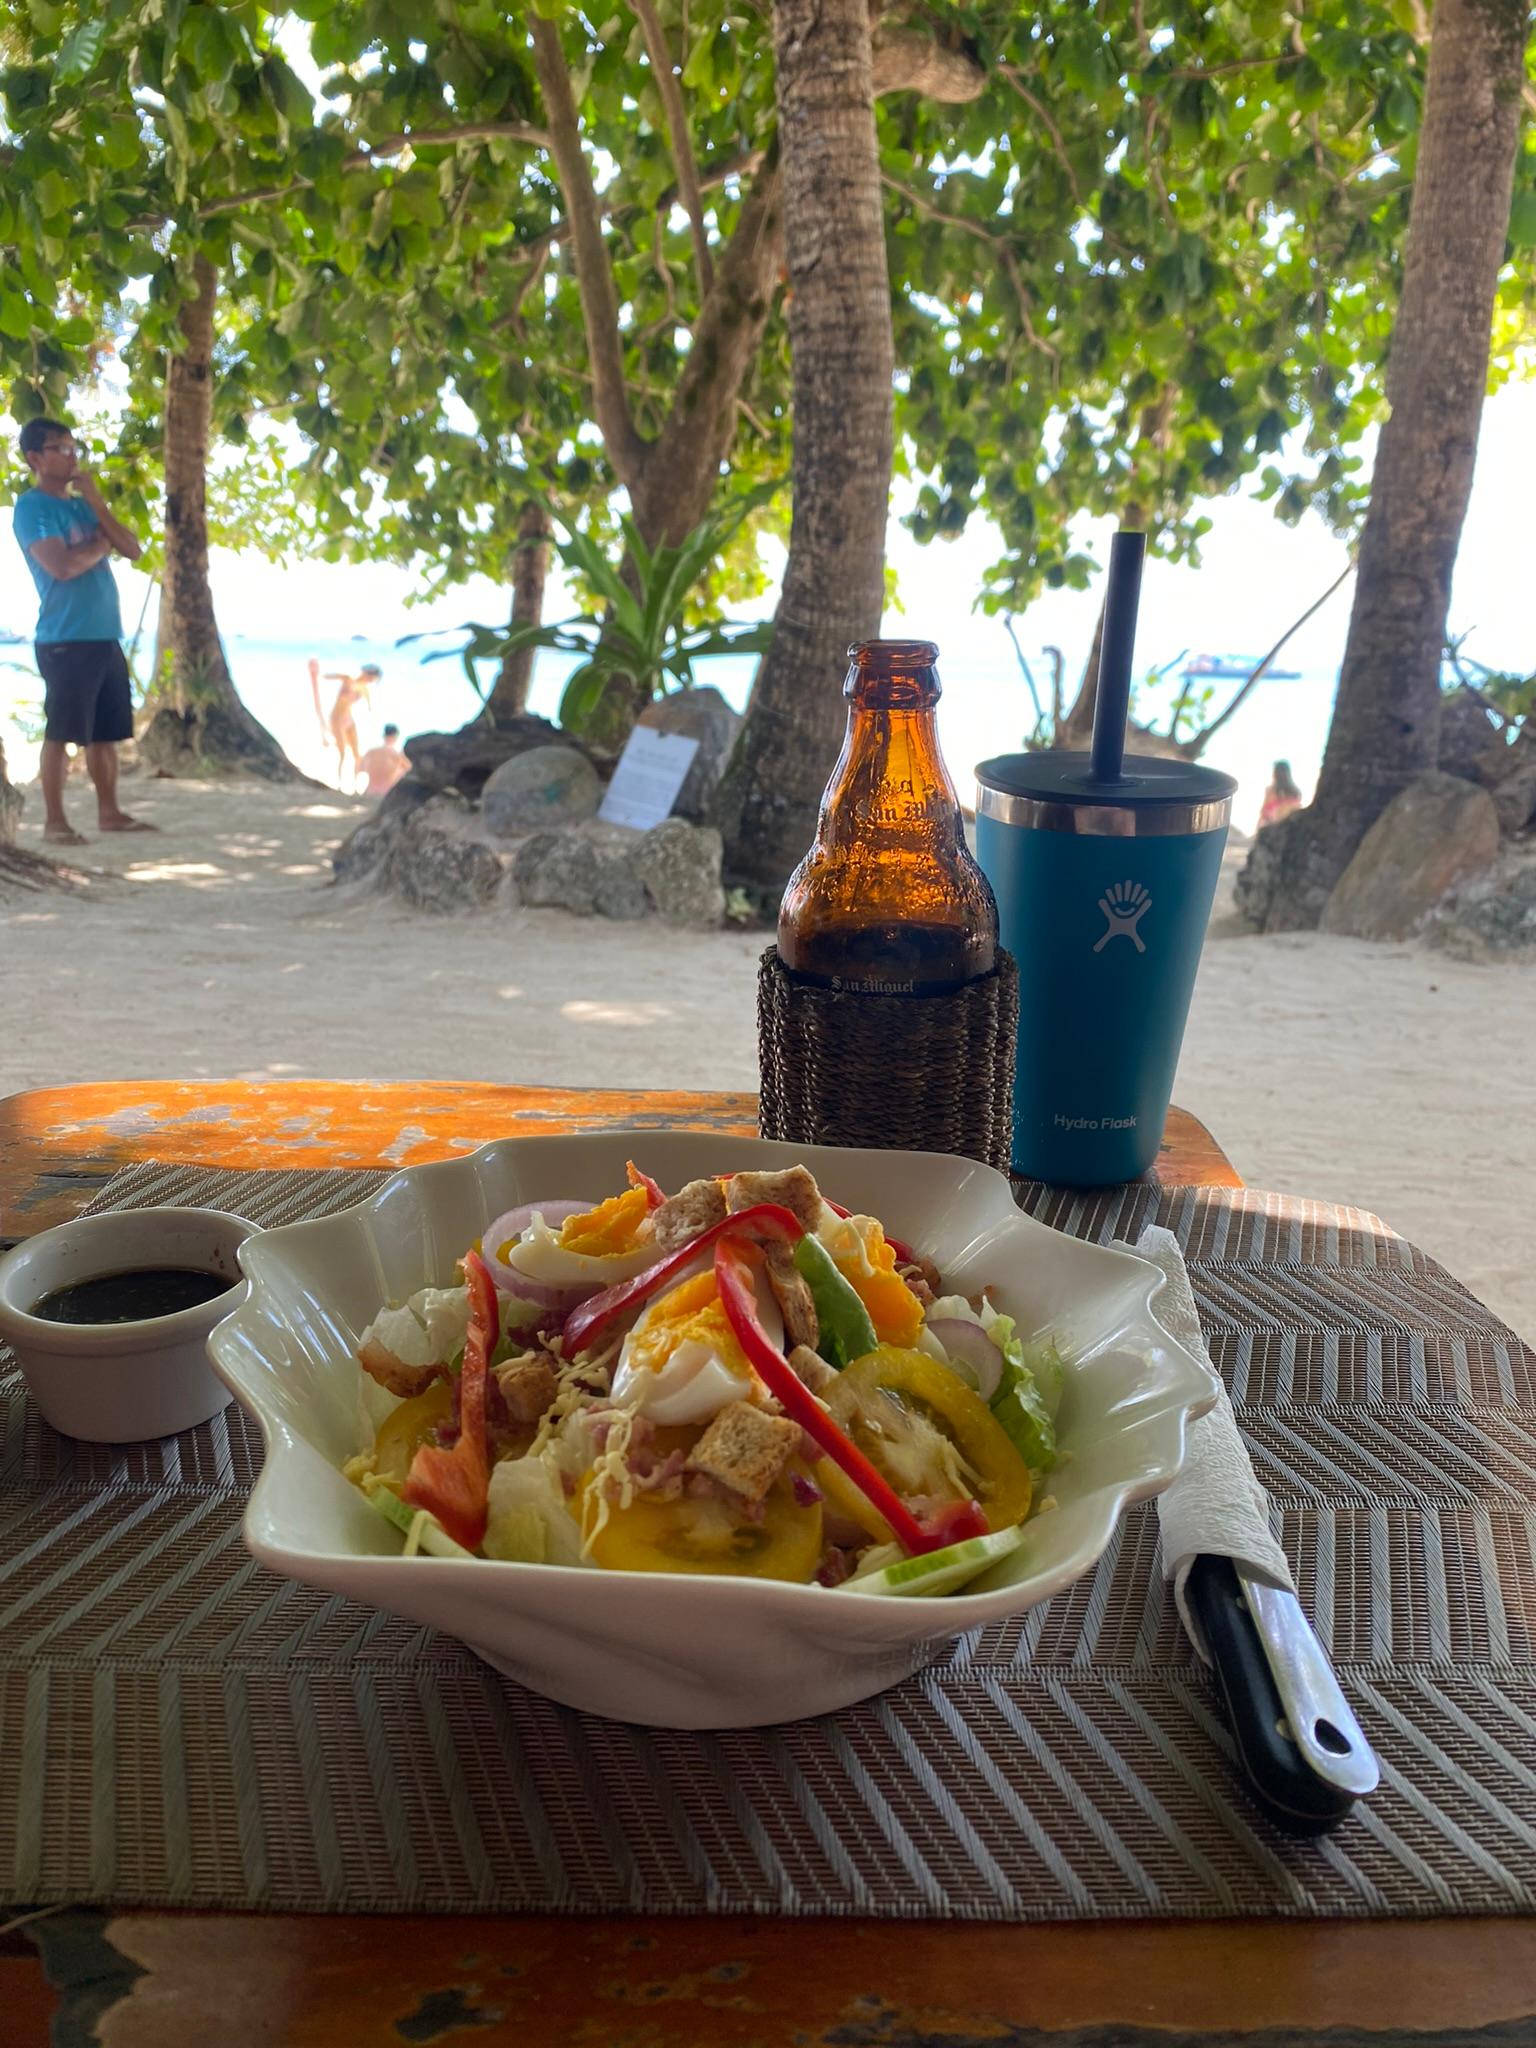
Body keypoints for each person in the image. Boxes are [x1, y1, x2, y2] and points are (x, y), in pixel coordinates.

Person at [12, 418, 153, 845]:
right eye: (60, 448)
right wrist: (99, 544)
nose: (72, 456)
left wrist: (96, 504)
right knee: (61, 733)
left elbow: (133, 547)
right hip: (64, 638)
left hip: (105, 634)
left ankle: (109, 813)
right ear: (35, 457)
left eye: (75, 448)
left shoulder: (82, 506)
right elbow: (63, 566)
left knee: (106, 734)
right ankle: (55, 822)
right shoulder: (33, 507)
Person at [309, 656, 380, 783]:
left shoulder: (364, 689)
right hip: (336, 718)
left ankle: (355, 785)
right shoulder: (347, 679)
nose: (370, 681)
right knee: (342, 754)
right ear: (366, 673)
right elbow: (323, 678)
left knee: (356, 754)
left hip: (349, 719)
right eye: (371, 678)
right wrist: (314, 671)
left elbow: (370, 710)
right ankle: (339, 784)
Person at [357, 723, 410, 798]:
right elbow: (410, 773)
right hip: (386, 796)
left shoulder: (371, 752)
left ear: (384, 735)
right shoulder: (398, 756)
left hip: (369, 793)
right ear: (395, 737)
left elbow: (359, 769)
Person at [1258, 759, 1303, 831]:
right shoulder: (1296, 794)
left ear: (1276, 773)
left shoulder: (1271, 791)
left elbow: (1263, 813)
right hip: (1289, 832)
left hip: (1272, 832)